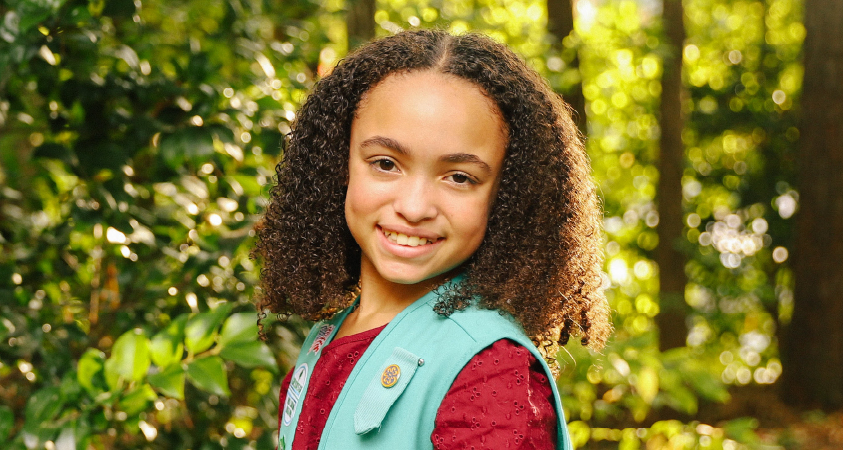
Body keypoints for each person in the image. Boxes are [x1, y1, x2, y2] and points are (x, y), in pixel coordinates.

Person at [252, 29, 609, 449]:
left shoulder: (489, 370)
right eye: (385, 164)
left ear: (508, 196)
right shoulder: (327, 338)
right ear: (338, 163)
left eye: (459, 177)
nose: (415, 206)